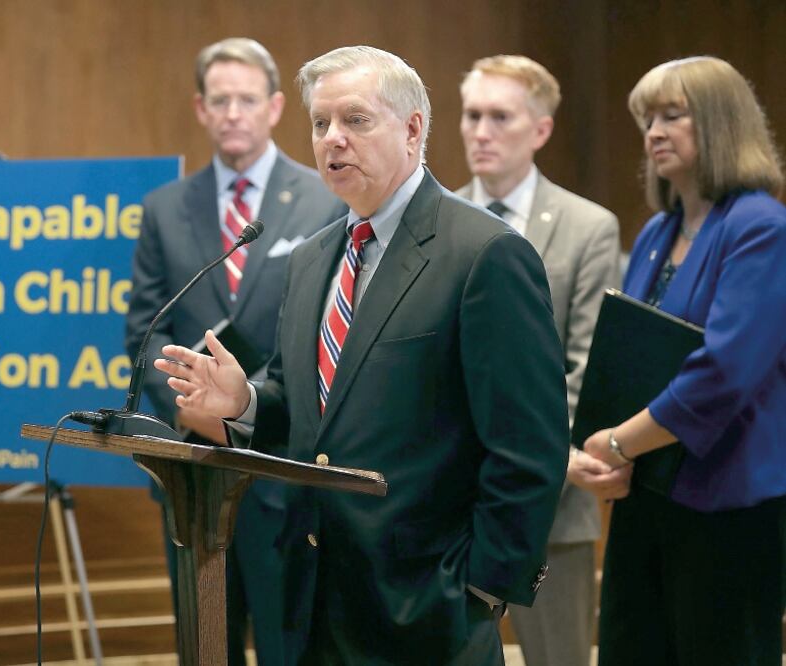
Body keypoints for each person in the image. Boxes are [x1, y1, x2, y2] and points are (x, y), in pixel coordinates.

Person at [154, 45, 569, 665]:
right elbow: (305, 418)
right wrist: (242, 405)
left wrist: (481, 589)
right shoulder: (311, 258)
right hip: (309, 602)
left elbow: (530, 446)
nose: (332, 140)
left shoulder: (484, 253)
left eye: (356, 120)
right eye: (320, 123)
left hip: (427, 612)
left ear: (412, 129)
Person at [124, 37, 344, 666]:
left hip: (281, 462)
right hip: (191, 469)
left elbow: (333, 326)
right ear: (200, 108)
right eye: (219, 100)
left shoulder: (324, 197)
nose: (232, 113)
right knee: (202, 643)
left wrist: (245, 405)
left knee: (286, 644)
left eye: (246, 100)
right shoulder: (165, 209)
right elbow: (146, 328)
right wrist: (191, 400)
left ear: (275, 107)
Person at [571, 56, 786, 666]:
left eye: (672, 115)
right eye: (647, 119)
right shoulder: (658, 231)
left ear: (721, 124)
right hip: (647, 491)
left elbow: (722, 373)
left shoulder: (761, 227)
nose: (653, 132)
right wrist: (608, 451)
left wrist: (615, 444)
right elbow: (631, 352)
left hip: (726, 502)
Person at [456, 55, 621, 666]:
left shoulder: (587, 227)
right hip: (454, 498)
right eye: (472, 115)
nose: (480, 131)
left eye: (500, 116)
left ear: (541, 130)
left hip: (553, 498)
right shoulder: (436, 221)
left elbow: (583, 365)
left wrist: (529, 464)